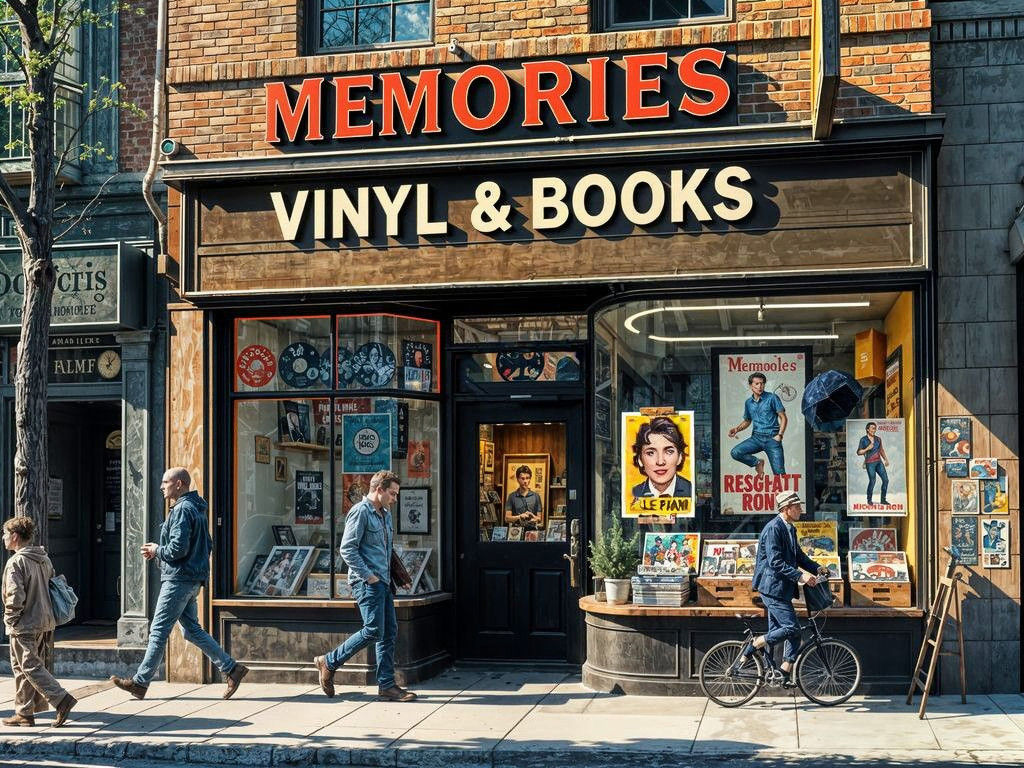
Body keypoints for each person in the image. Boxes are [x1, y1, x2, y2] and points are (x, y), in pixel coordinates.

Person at [111, 468, 248, 700]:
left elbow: (177, 549)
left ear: (180, 484)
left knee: (158, 632)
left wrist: (157, 550)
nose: (162, 486)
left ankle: (140, 683)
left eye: (166, 482)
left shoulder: (183, 509)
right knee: (191, 631)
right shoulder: (195, 508)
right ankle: (232, 668)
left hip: (178, 579)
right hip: (191, 578)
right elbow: (206, 544)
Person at [314, 470, 415, 702]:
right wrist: (369, 576)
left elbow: (385, 550)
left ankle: (387, 685)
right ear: (378, 489)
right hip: (367, 582)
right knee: (373, 630)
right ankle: (328, 661)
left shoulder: (385, 514)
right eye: (392, 493)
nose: (395, 498)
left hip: (384, 582)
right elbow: (347, 548)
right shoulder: (360, 512)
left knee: (389, 632)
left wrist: (396, 576)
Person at [741, 491, 828, 685]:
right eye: (797, 507)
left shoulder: (790, 528)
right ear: (786, 509)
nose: (801, 510)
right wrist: (801, 575)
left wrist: (816, 567)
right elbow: (775, 562)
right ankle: (756, 643)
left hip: (782, 588)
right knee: (791, 628)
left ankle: (781, 673)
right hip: (771, 588)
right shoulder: (774, 528)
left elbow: (799, 556)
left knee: (790, 631)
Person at [1, 516, 77, 727]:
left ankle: (61, 699)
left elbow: (15, 596)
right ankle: (24, 713)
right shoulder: (43, 558)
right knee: (22, 667)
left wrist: (10, 620)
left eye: (5, 534)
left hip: (25, 622)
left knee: (30, 666)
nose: (3, 538)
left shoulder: (16, 561)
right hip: (45, 620)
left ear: (15, 536)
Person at [728, 372, 787, 476]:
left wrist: (780, 435)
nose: (760, 386)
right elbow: (747, 421)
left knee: (780, 475)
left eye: (762, 383)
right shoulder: (748, 403)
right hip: (756, 438)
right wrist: (737, 429)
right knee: (735, 452)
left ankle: (784, 492)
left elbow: (783, 417)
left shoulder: (772, 398)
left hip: (772, 439)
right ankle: (757, 462)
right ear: (751, 385)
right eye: (757, 384)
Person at [630, 417, 693, 498]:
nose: (660, 462)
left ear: (680, 457)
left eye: (669, 452)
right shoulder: (633, 494)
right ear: (640, 460)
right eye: (650, 453)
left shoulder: (690, 490)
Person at [857, 422, 889, 505]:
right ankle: (869, 500)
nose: (874, 430)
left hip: (879, 462)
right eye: (872, 428)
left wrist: (886, 459)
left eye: (875, 428)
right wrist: (867, 448)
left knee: (886, 480)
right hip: (870, 463)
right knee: (872, 481)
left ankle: (883, 499)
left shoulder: (878, 439)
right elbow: (859, 452)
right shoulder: (863, 439)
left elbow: (881, 450)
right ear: (868, 429)